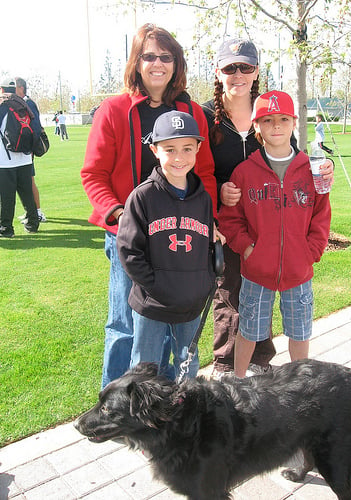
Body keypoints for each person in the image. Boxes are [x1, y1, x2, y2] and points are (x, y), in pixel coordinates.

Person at [81, 23, 217, 389]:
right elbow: (93, 174)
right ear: (136, 62)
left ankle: (170, 408)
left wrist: (211, 221)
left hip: (180, 238)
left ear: (176, 63)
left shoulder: (191, 111)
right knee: (125, 325)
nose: (158, 63)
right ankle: (115, 405)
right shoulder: (113, 110)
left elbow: (206, 173)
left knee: (177, 327)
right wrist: (122, 216)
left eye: (166, 57)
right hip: (133, 239)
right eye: (149, 56)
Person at [202, 38, 334, 379]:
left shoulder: (282, 132)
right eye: (230, 67)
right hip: (228, 229)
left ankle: (268, 367)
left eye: (245, 66)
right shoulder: (205, 117)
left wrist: (311, 249)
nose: (238, 73)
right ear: (218, 72)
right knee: (231, 298)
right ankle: (227, 369)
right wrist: (223, 199)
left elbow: (313, 197)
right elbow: (193, 166)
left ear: (256, 70)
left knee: (283, 315)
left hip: (286, 249)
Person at [117, 110, 216, 378]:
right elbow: (128, 250)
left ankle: (183, 418)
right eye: (169, 149)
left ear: (198, 149)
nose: (179, 158)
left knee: (187, 365)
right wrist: (156, 285)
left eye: (187, 148)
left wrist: (204, 281)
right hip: (153, 302)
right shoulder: (143, 196)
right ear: (155, 150)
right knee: (144, 370)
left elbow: (208, 247)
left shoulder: (203, 199)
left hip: (191, 302)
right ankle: (144, 421)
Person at [0, 78, 39, 237]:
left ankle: (6, 228)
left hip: (5, 158)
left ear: (2, 90)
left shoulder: (2, 106)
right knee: (27, 193)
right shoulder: (25, 104)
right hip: (25, 157)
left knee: (7, 196)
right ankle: (33, 223)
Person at [15, 77, 47, 223]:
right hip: (22, 150)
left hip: (27, 150)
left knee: (29, 180)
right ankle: (31, 211)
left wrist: (30, 148)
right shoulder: (20, 103)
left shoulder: (28, 103)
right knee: (25, 181)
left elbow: (34, 126)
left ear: (21, 88)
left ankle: (38, 212)